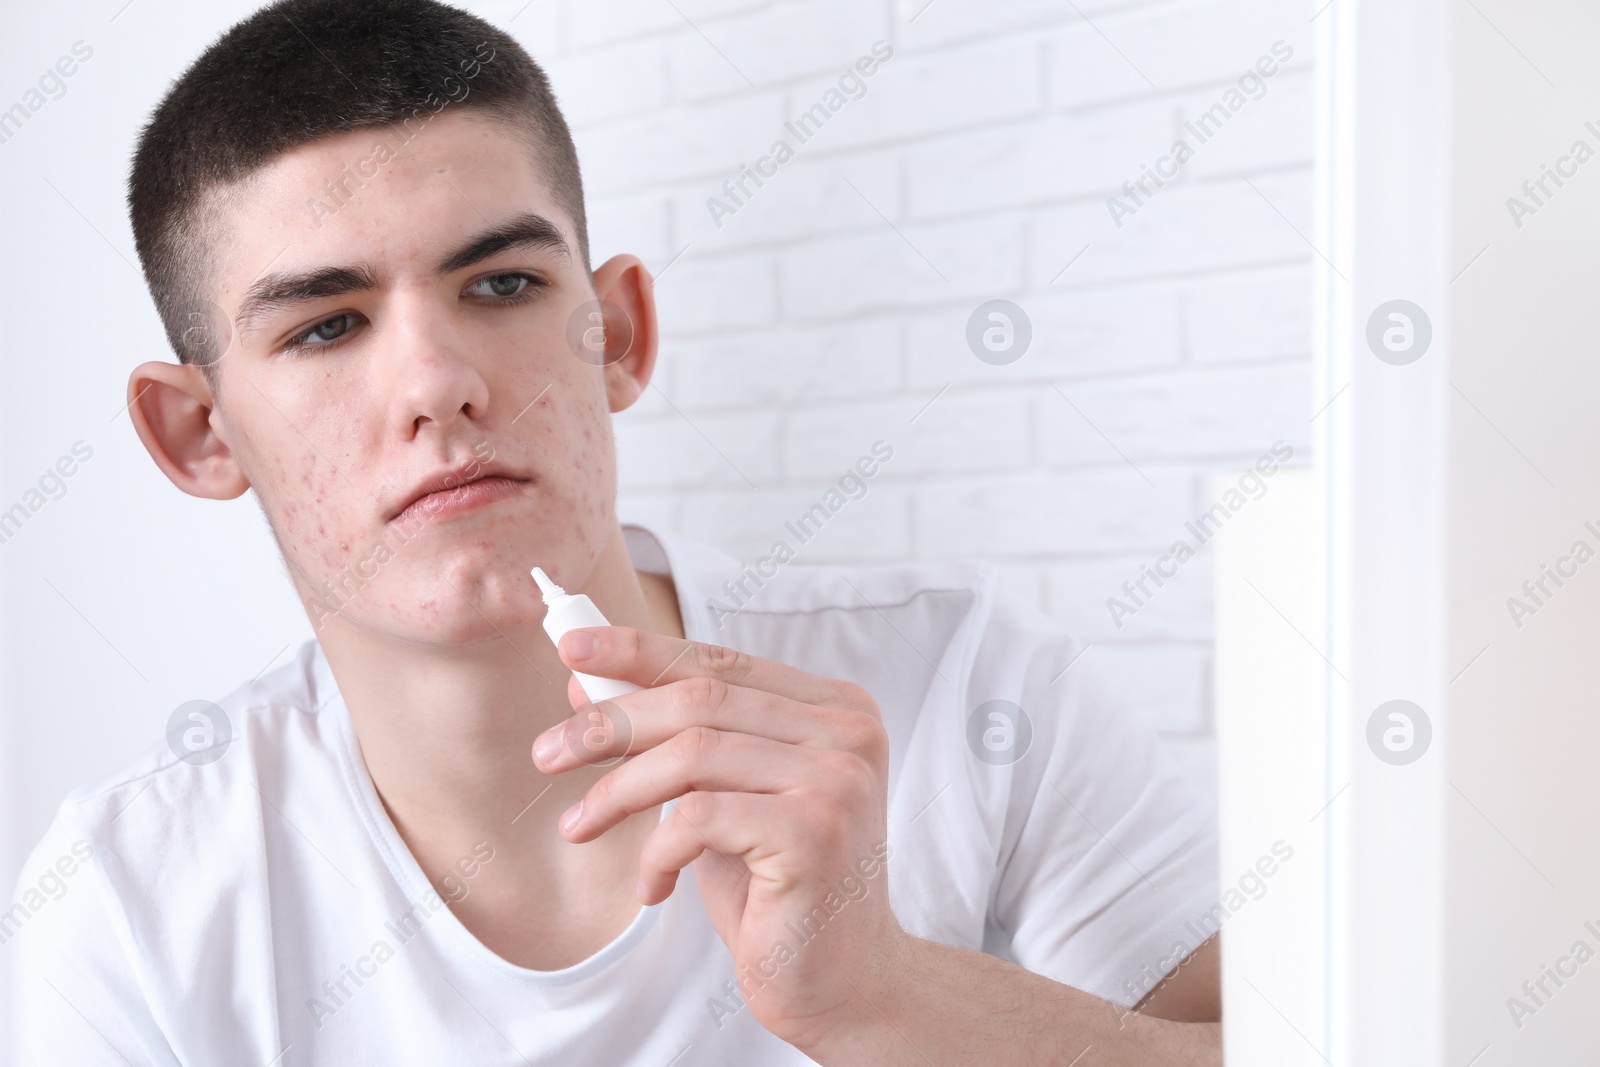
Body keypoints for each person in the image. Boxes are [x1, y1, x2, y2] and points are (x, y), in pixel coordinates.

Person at [9, 1, 1222, 1062]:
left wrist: (880, 1000)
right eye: (326, 326)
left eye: (501, 285)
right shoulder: (127, 900)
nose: (438, 382)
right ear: (199, 434)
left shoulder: (965, 687)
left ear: (621, 332)